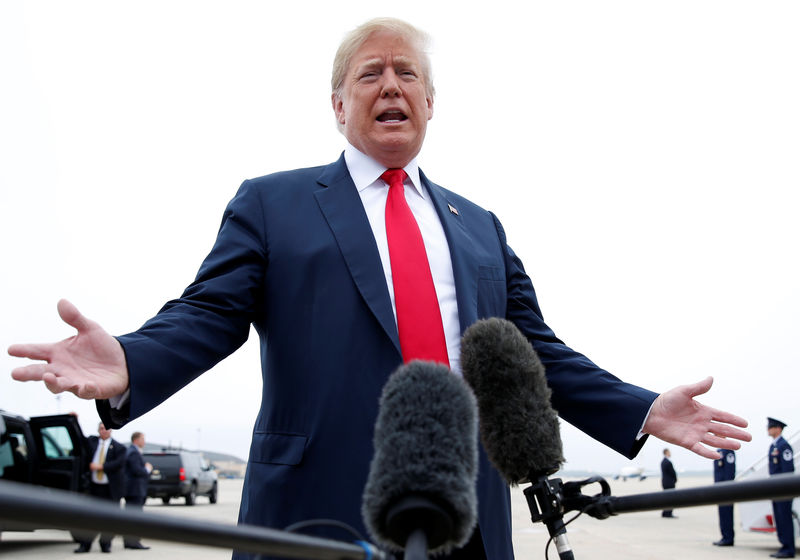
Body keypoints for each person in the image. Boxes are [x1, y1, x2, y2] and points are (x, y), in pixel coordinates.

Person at [8, 17, 752, 560]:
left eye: (407, 74)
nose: (390, 84)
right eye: (369, 74)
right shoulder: (274, 204)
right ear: (338, 106)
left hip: (467, 514)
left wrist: (642, 408)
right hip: (316, 514)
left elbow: (537, 354)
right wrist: (131, 363)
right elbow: (210, 314)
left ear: (431, 104)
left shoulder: (480, 227)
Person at [75, 423, 127, 553]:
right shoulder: (92, 442)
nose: (103, 431)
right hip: (94, 488)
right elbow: (79, 438)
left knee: (110, 519)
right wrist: (75, 420)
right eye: (101, 428)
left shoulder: (119, 447)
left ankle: (105, 543)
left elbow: (119, 463)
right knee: (89, 518)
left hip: (110, 489)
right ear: (98, 430)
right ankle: (85, 544)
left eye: (106, 428)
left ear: (111, 430)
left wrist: (102, 467)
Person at [767, 417, 795, 559]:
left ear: (778, 429)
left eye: (771, 427)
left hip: (783, 491)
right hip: (776, 490)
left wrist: (785, 490)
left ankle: (789, 548)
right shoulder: (774, 446)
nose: (768, 429)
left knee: (785, 518)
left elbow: (788, 470)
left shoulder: (784, 446)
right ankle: (783, 545)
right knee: (779, 518)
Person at [123, 431, 153, 551]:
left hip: (132, 490)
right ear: (136, 440)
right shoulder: (134, 453)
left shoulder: (132, 451)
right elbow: (137, 471)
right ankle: (133, 542)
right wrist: (147, 469)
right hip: (135, 490)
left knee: (131, 516)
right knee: (134, 517)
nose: (144, 441)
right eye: (142, 439)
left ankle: (129, 541)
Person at [712, 448, 736, 546]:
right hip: (720, 489)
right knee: (722, 514)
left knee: (727, 514)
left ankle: (728, 538)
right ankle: (724, 536)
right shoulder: (718, 451)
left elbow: (730, 471)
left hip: (726, 490)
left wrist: (727, 488)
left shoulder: (728, 451)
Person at [660, 448, 678, 518]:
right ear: (666, 452)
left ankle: (665, 512)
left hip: (665, 482)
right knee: (671, 498)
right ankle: (668, 513)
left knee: (666, 498)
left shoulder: (662, 462)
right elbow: (672, 473)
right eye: (669, 452)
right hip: (669, 482)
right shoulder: (668, 462)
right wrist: (675, 479)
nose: (670, 453)